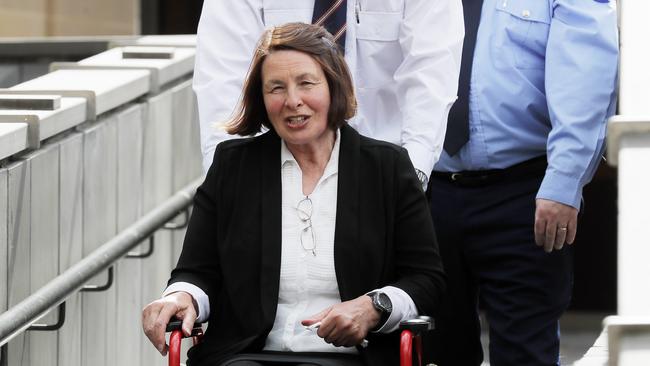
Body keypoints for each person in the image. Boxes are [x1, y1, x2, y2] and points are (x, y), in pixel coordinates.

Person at [142, 23, 445, 366]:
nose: (292, 101)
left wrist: (374, 307)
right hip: (246, 355)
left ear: (334, 86)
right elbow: (198, 272)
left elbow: (427, 279)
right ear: (261, 98)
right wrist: (183, 297)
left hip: (352, 357)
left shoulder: (387, 167)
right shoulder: (233, 166)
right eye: (276, 88)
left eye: (306, 83)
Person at [427, 0, 619, 365]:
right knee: (434, 349)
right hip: (429, 189)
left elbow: (587, 81)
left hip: (525, 193)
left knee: (526, 354)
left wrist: (565, 182)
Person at [193, 0, 463, 190]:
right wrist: (230, 181)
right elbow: (223, 76)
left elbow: (430, 71)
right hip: (272, 175)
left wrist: (410, 179)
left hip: (384, 176)